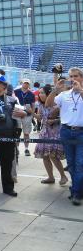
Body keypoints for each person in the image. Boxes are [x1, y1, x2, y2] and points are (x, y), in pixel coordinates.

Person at [46, 67, 83, 205]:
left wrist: (80, 90)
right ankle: (77, 190)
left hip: (81, 132)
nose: (72, 79)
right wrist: (55, 89)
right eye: (71, 76)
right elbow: (48, 104)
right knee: (71, 164)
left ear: (82, 78)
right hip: (66, 131)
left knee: (80, 164)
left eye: (76, 76)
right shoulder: (65, 94)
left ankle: (76, 193)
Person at [34, 86, 67, 185]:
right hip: (44, 132)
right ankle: (51, 177)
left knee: (53, 155)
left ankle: (63, 176)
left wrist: (55, 120)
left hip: (55, 132)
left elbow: (65, 118)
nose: (40, 95)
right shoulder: (40, 105)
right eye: (39, 93)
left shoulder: (57, 104)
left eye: (42, 93)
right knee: (45, 156)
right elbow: (40, 119)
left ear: (49, 94)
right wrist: (32, 113)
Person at [14, 79, 36, 156]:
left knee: (26, 133)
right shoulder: (16, 91)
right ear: (22, 84)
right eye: (25, 83)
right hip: (17, 114)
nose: (26, 85)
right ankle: (16, 149)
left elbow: (33, 105)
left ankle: (26, 149)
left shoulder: (31, 94)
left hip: (27, 115)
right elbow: (13, 103)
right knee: (17, 132)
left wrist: (32, 114)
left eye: (27, 83)